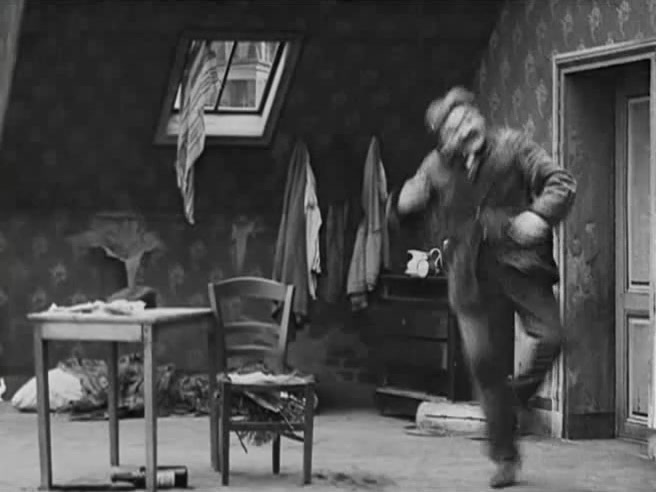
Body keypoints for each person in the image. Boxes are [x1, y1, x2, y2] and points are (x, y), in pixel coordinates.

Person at [386, 87, 576, 488]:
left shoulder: (513, 147)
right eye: (455, 127)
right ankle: (505, 458)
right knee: (485, 364)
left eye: (469, 119)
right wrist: (402, 203)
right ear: (445, 139)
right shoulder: (436, 166)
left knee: (552, 337)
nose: (467, 129)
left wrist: (539, 215)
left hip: (520, 266)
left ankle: (515, 399)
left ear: (479, 118)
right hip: (469, 277)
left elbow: (560, 182)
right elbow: (410, 205)